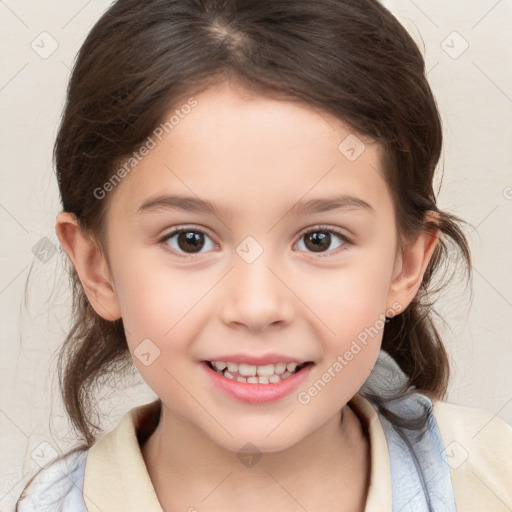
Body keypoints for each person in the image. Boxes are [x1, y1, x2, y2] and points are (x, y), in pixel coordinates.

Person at [16, 0, 512, 511]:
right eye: (190, 240)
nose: (256, 307)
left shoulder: (494, 482)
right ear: (97, 267)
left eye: (320, 239)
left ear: (404, 265)